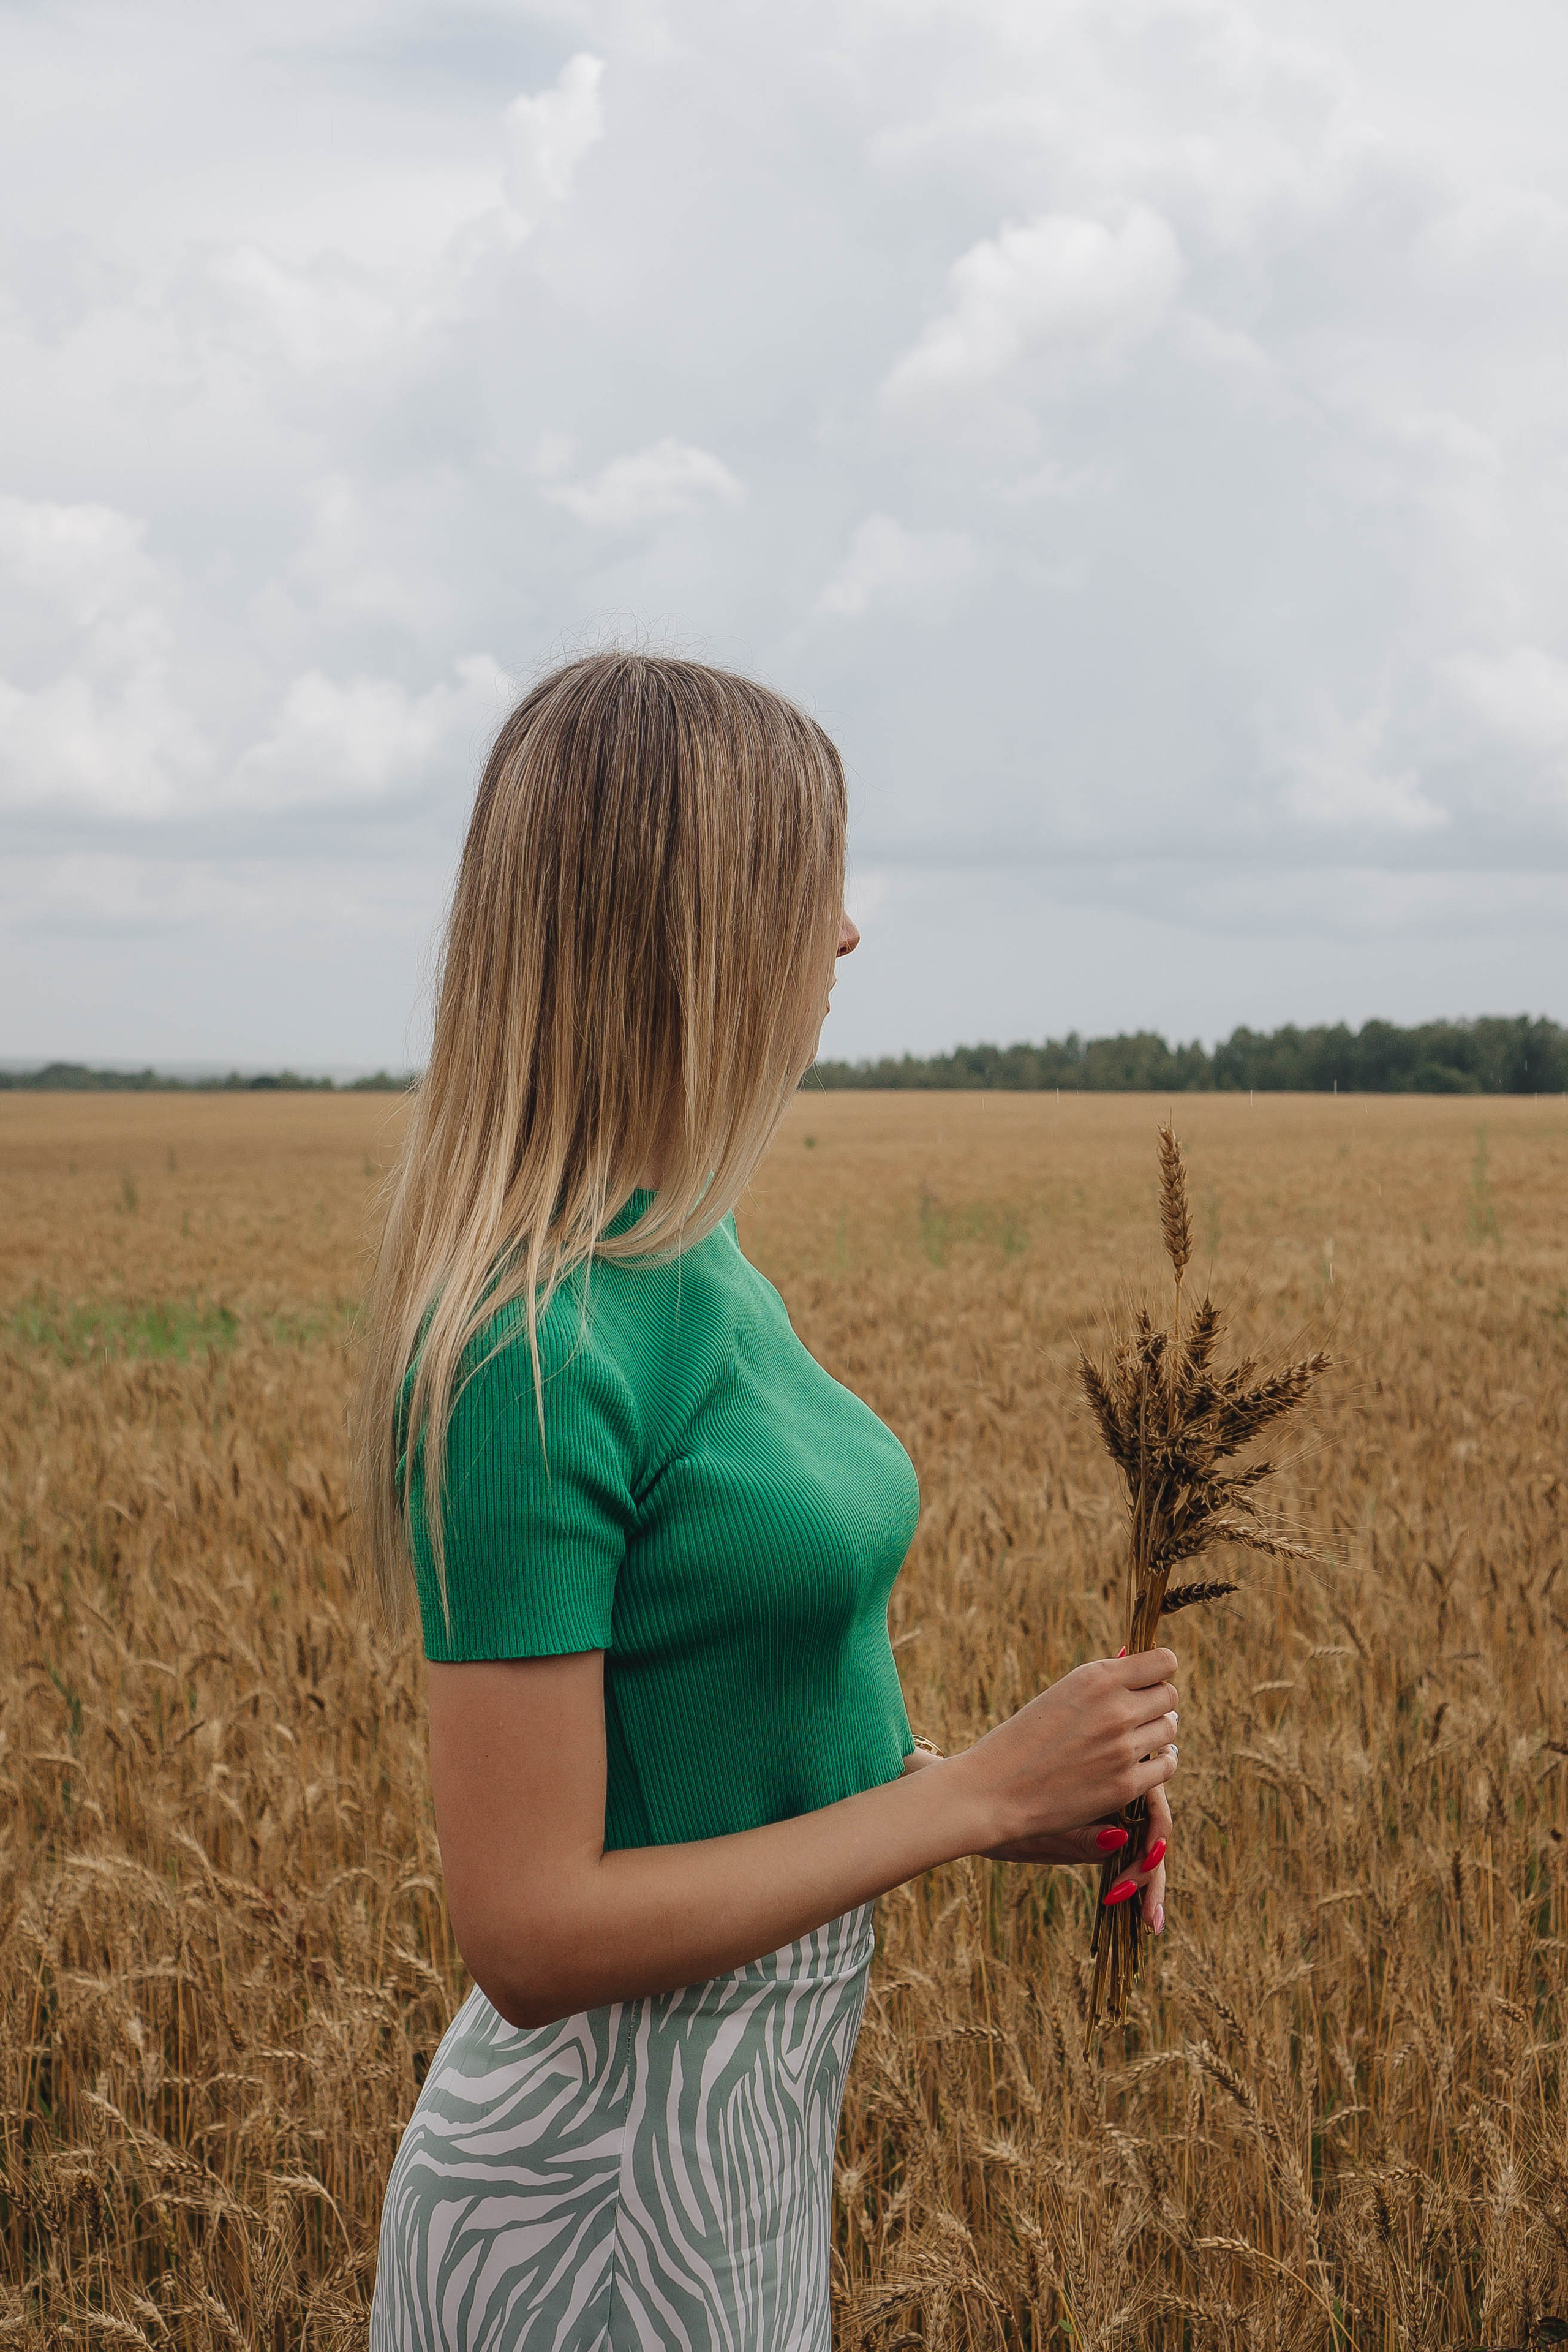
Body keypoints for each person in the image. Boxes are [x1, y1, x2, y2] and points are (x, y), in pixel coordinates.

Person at [355, 652, 1177, 2352]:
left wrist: (987, 1798)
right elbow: (528, 1927)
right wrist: (963, 1804)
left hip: (739, 2160)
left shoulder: (691, 1252)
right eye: (815, 884)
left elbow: (700, 1734)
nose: (850, 937)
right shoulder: (533, 1343)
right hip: (586, 2209)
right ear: (694, 926)